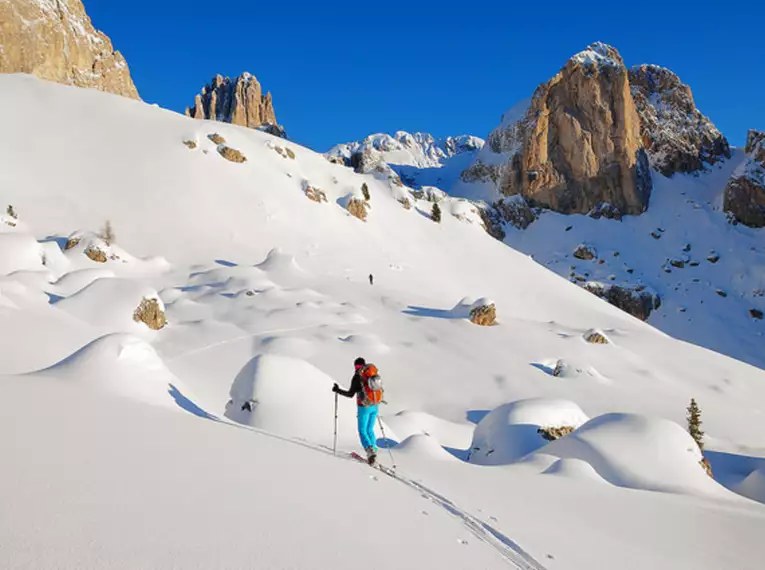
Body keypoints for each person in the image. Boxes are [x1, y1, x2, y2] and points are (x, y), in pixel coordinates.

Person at [333, 357, 378, 465]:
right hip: (375, 405)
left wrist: (337, 390)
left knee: (362, 431)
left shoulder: (358, 377)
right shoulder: (371, 375)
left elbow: (350, 394)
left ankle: (370, 452)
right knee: (370, 429)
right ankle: (374, 450)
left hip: (364, 407)